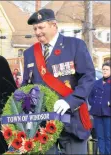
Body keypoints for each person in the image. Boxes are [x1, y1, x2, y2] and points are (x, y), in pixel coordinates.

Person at [22, 9, 95, 154]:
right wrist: (27, 109)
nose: (37, 32)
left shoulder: (74, 45)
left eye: (41, 27)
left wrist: (70, 101)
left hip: (71, 119)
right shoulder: (30, 53)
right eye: (35, 28)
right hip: (43, 123)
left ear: (54, 25)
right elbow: (26, 85)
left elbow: (88, 78)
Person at [88, 62, 110, 155]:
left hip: (108, 113)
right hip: (97, 113)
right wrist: (94, 104)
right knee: (100, 137)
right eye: (103, 69)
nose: (104, 71)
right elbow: (90, 97)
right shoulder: (97, 82)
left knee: (108, 137)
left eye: (107, 69)